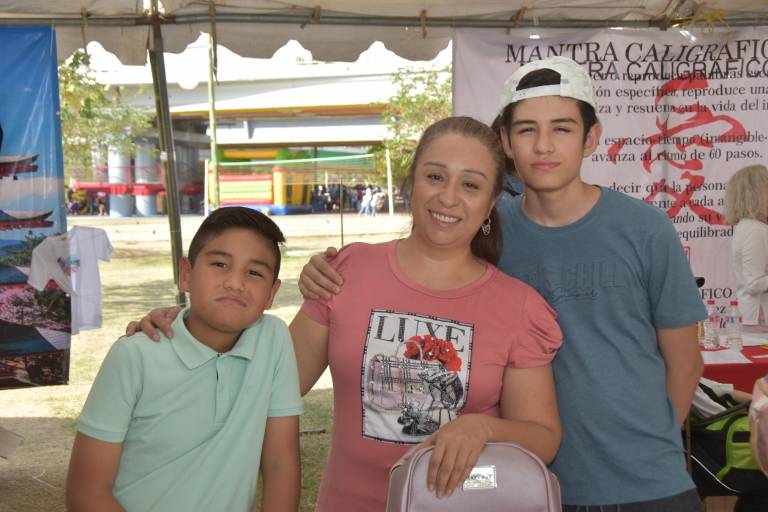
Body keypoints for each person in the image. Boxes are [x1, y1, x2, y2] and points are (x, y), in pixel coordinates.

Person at [299, 57, 706, 511]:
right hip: (528, 483)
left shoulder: (644, 229)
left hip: (646, 483)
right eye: (527, 130)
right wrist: (328, 271)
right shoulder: (486, 230)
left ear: (591, 138)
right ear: (507, 142)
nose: (544, 145)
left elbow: (685, 362)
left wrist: (651, 450)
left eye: (562, 128)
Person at [128, 117, 563, 511]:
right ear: (412, 183)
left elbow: (543, 437)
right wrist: (185, 330)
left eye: (470, 185)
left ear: (491, 202)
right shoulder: (347, 271)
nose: (448, 197)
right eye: (435, 176)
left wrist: (483, 429)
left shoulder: (517, 305)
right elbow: (269, 379)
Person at [67, 207, 302, 512]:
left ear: (272, 293)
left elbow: (280, 463)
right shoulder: (133, 357)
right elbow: (86, 495)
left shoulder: (273, 340)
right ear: (187, 274)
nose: (235, 282)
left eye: (254, 272)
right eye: (220, 264)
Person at [724, 164, 768, 327]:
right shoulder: (755, 229)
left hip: (754, 315)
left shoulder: (748, 226)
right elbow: (754, 283)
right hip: (759, 317)